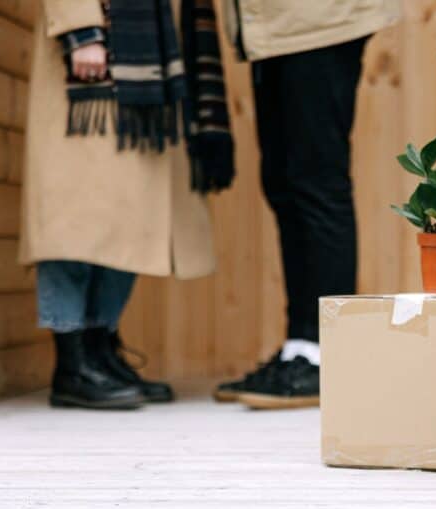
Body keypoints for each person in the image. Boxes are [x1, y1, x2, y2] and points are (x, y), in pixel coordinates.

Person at [22, 0, 235, 409]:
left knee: (129, 218)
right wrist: (81, 30)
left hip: (147, 68)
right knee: (73, 218)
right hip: (91, 55)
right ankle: (72, 362)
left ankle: (100, 351)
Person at [213, 0, 400, 409]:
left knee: (317, 182)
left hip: (319, 20)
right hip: (275, 29)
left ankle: (322, 353)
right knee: (284, 183)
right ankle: (300, 347)